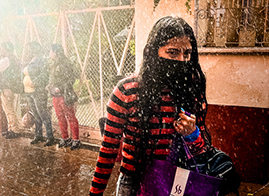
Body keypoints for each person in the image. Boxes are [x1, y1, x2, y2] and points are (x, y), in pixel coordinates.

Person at [89, 16, 240, 196]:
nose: (182, 60)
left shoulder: (190, 90)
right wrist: (95, 192)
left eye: (187, 54)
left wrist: (192, 134)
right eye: (173, 52)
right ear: (155, 52)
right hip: (134, 183)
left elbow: (202, 151)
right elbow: (108, 150)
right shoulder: (127, 91)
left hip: (175, 182)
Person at [47, 44, 80, 150]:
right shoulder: (54, 64)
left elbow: (71, 79)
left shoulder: (65, 64)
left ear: (55, 52)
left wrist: (61, 87)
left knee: (70, 116)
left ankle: (76, 139)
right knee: (60, 116)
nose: (50, 54)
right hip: (55, 95)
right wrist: (51, 86)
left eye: (51, 51)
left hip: (64, 95)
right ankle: (65, 138)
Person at [23, 42, 55, 146]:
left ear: (34, 49)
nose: (28, 51)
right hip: (29, 91)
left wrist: (35, 82)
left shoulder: (41, 60)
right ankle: (38, 135)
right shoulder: (30, 60)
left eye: (30, 48)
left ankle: (50, 137)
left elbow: (44, 75)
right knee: (36, 114)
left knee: (43, 114)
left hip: (38, 91)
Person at [0, 41, 23, 139]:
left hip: (7, 88)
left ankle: (15, 130)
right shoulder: (14, 59)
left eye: (3, 48)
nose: (1, 50)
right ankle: (11, 129)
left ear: (6, 49)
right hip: (11, 87)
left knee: (9, 110)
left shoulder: (6, 60)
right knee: (9, 109)